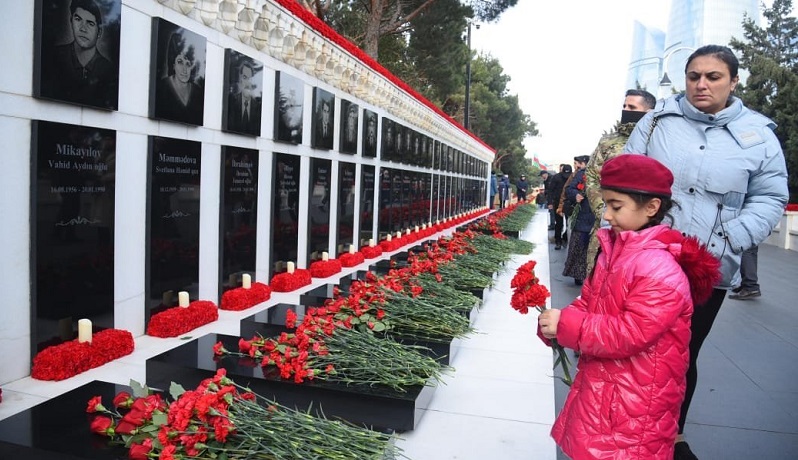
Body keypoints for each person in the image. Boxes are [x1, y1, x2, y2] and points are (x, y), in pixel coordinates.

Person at [623, 45, 789, 460]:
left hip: (708, 268)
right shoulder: (656, 120)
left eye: (713, 77)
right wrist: (640, 237)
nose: (701, 84)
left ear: (733, 82)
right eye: (694, 75)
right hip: (648, 261)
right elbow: (625, 179)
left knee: (682, 352)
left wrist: (729, 237)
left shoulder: (760, 135)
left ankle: (669, 436)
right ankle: (622, 429)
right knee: (631, 345)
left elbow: (770, 197)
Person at [537, 154, 721, 460]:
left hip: (637, 401)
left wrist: (567, 326)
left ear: (651, 207)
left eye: (616, 206)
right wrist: (555, 325)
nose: (607, 215)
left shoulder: (659, 267)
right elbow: (589, 301)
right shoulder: (616, 251)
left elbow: (630, 333)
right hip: (612, 389)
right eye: (606, 204)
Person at [584, 89, 656, 274]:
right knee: (598, 278)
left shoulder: (659, 141)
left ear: (648, 112)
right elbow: (592, 175)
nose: (625, 110)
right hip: (608, 225)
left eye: (632, 107)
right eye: (624, 106)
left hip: (645, 231)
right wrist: (605, 211)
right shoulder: (609, 142)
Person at [44, 0, 117, 108]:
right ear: (71, 21)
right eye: (78, 19)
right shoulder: (54, 57)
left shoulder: (108, 70)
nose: (83, 28)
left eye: (90, 23)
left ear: (99, 32)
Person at [155, 30, 204, 126]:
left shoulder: (198, 92)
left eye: (188, 64)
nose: (184, 70)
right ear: (173, 64)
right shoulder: (161, 88)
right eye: (180, 62)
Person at [561, 155, 594, 285]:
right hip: (583, 217)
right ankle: (578, 274)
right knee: (579, 247)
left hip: (600, 218)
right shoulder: (582, 175)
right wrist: (576, 195)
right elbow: (569, 189)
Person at [226, 61, 262, 135]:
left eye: (250, 78)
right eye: (245, 77)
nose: (248, 83)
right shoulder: (231, 103)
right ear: (239, 79)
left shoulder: (258, 107)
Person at [548, 164, 572, 249]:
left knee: (569, 223)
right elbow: (550, 190)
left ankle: (565, 238)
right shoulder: (556, 177)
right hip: (558, 203)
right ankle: (558, 241)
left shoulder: (573, 177)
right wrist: (550, 202)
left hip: (569, 203)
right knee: (559, 223)